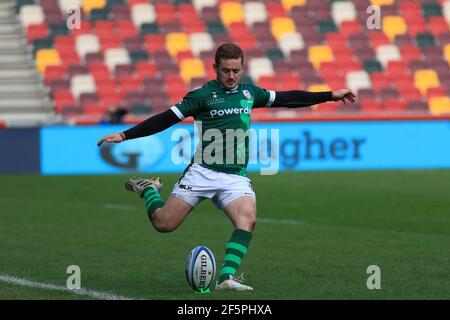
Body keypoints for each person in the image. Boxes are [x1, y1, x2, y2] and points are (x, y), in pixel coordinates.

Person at [97, 43, 356, 292]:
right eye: (226, 70)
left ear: (242, 68)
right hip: (202, 172)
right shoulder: (201, 96)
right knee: (164, 223)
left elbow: (287, 99)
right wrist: (124, 135)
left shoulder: (249, 93)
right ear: (214, 68)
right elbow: (166, 118)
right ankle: (150, 189)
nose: (231, 76)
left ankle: (226, 278)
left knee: (247, 218)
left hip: (235, 176)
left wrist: (330, 95)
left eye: (236, 70)